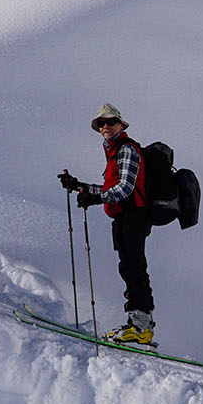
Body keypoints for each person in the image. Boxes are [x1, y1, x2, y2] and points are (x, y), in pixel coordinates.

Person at [58, 103, 156, 345]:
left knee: (134, 268)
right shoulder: (113, 150)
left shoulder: (126, 150)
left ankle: (141, 327)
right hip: (125, 219)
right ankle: (138, 324)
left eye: (110, 122)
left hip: (134, 217)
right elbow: (110, 188)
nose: (105, 127)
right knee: (129, 267)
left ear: (121, 125)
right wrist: (79, 186)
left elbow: (124, 188)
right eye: (101, 124)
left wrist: (95, 197)